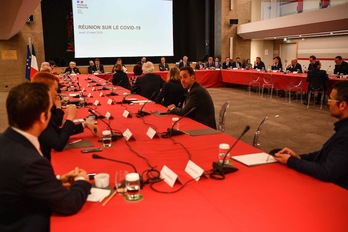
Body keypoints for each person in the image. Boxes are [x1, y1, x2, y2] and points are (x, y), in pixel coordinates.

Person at [0, 82, 91, 231]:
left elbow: (17, 180)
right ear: (43, 117)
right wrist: (82, 180)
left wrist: (56, 180)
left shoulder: (6, 141)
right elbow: (69, 204)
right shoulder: (32, 162)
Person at [275, 81, 348, 189]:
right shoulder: (343, 128)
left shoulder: (345, 134)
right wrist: (298, 158)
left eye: (331, 99)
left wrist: (291, 161)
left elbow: (326, 172)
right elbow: (326, 153)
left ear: (342, 105)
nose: (328, 103)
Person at [32, 72, 99, 161]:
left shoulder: (41, 107)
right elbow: (59, 144)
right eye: (55, 89)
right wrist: (70, 118)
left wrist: (84, 125)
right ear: (46, 90)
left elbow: (57, 133)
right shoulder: (38, 113)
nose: (57, 93)